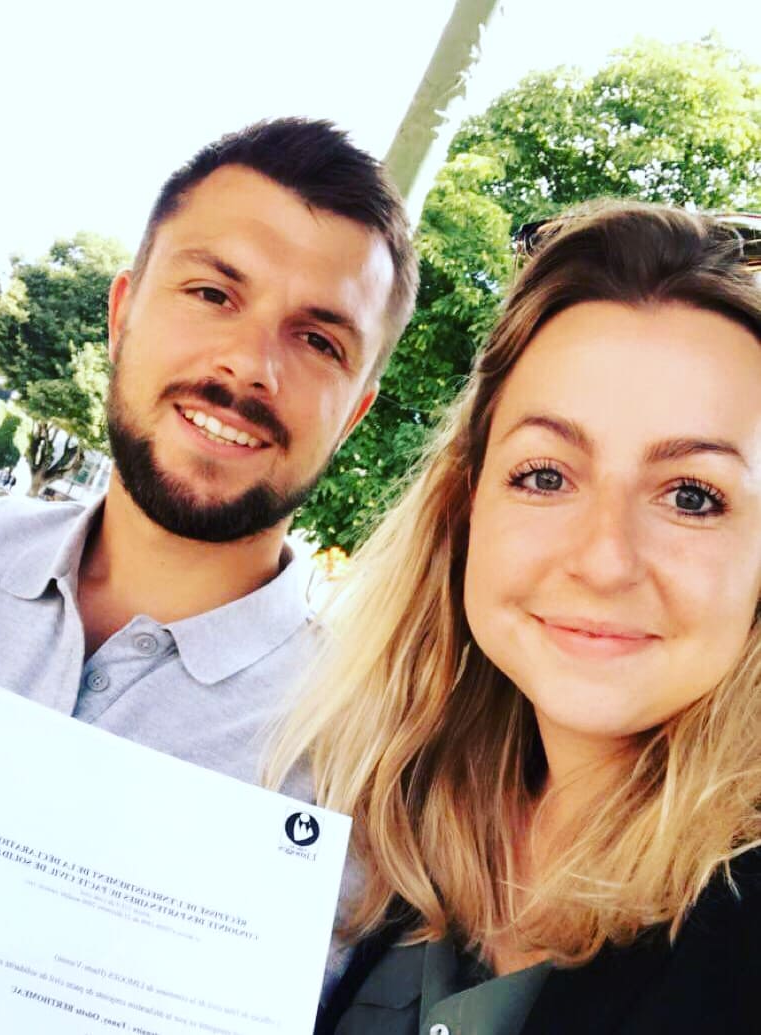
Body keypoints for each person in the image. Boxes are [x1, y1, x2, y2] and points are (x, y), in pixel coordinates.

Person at [0, 117, 417, 985]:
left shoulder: (382, 769)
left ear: (353, 412)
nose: (249, 364)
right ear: (122, 313)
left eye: (318, 340)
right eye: (212, 293)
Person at [266, 202, 761, 1034]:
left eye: (691, 495)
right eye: (545, 476)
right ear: (465, 507)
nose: (604, 559)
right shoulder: (398, 823)